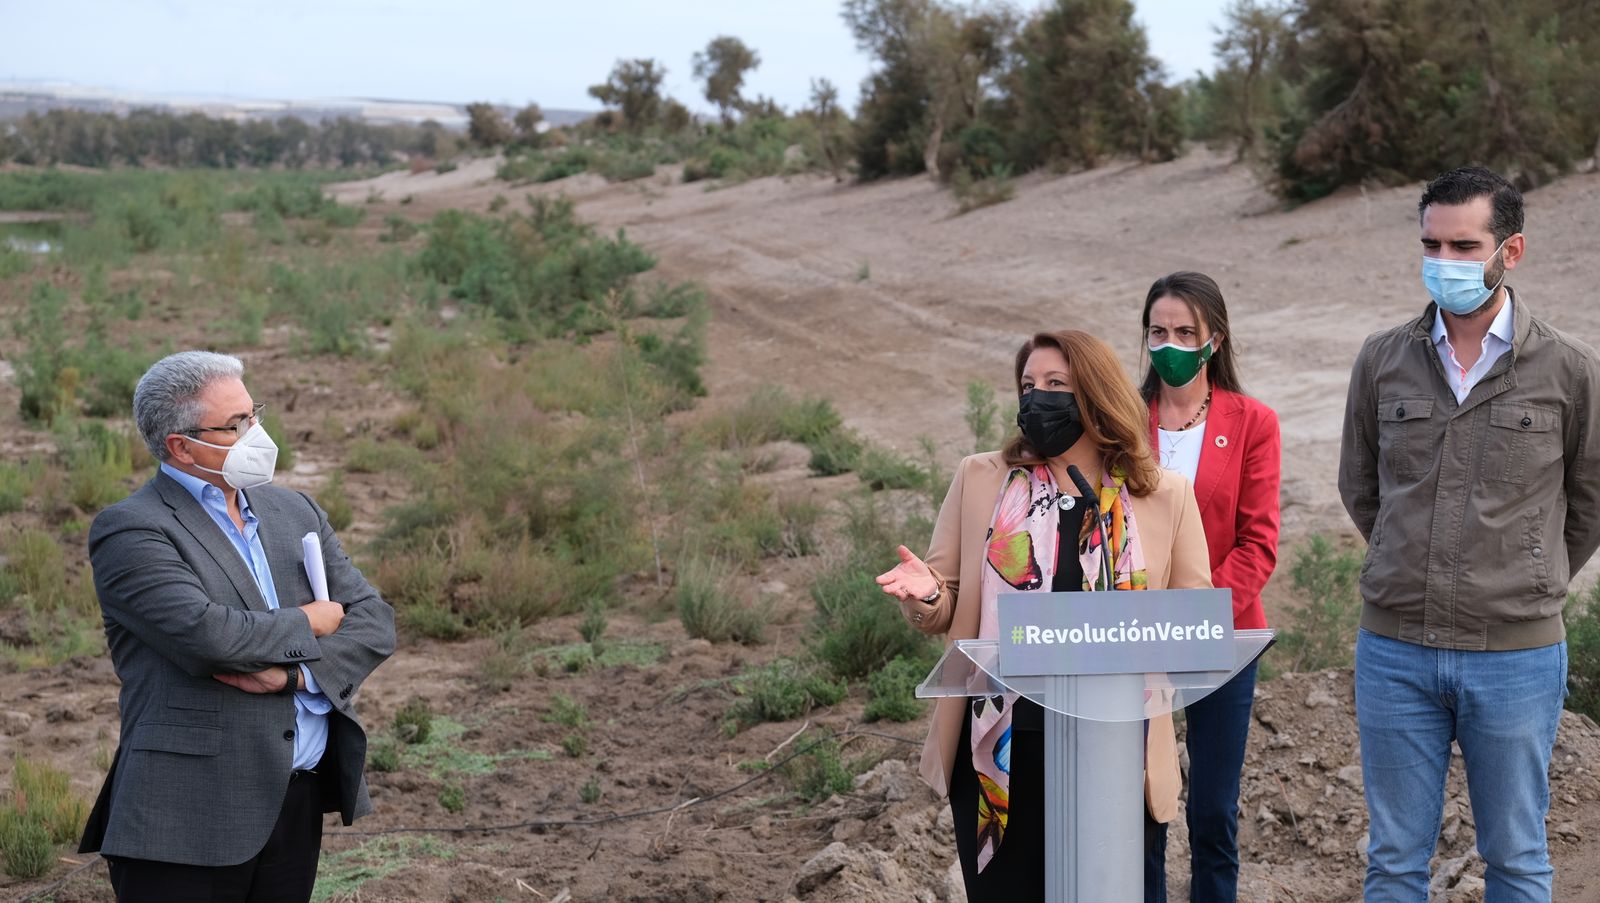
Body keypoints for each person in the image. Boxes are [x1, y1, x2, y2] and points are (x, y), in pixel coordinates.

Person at [1338, 166, 1600, 900]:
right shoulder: (1382, 359)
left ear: (1511, 250)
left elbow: (1589, 498)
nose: (1443, 261)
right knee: (1394, 859)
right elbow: (1361, 487)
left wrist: (1529, 572)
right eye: (1432, 245)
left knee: (1516, 855)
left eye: (1463, 245)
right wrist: (1406, 559)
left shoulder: (1570, 369)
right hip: (1395, 652)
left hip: (1515, 655)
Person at [876, 330, 1212, 898]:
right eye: (1028, 385)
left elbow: (1191, 622)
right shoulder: (981, 478)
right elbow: (947, 599)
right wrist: (927, 596)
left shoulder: (1164, 495)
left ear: (1097, 395)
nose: (1038, 397)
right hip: (1004, 747)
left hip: (1115, 749)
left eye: (1057, 384)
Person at [79, 351, 397, 903]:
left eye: (254, 415)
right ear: (181, 446)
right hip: (187, 816)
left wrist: (295, 677)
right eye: (235, 425)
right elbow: (210, 636)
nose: (256, 434)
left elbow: (374, 621)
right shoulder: (132, 530)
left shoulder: (294, 511)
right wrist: (310, 620)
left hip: (294, 800)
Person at [1140, 272, 1281, 902]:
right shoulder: (1118, 419)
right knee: (1143, 801)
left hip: (1224, 637)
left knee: (1213, 811)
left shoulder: (1253, 422)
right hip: (1131, 639)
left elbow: (1258, 545)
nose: (1169, 344)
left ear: (1214, 339)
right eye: (1157, 331)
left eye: (1184, 332)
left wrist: (1192, 613)